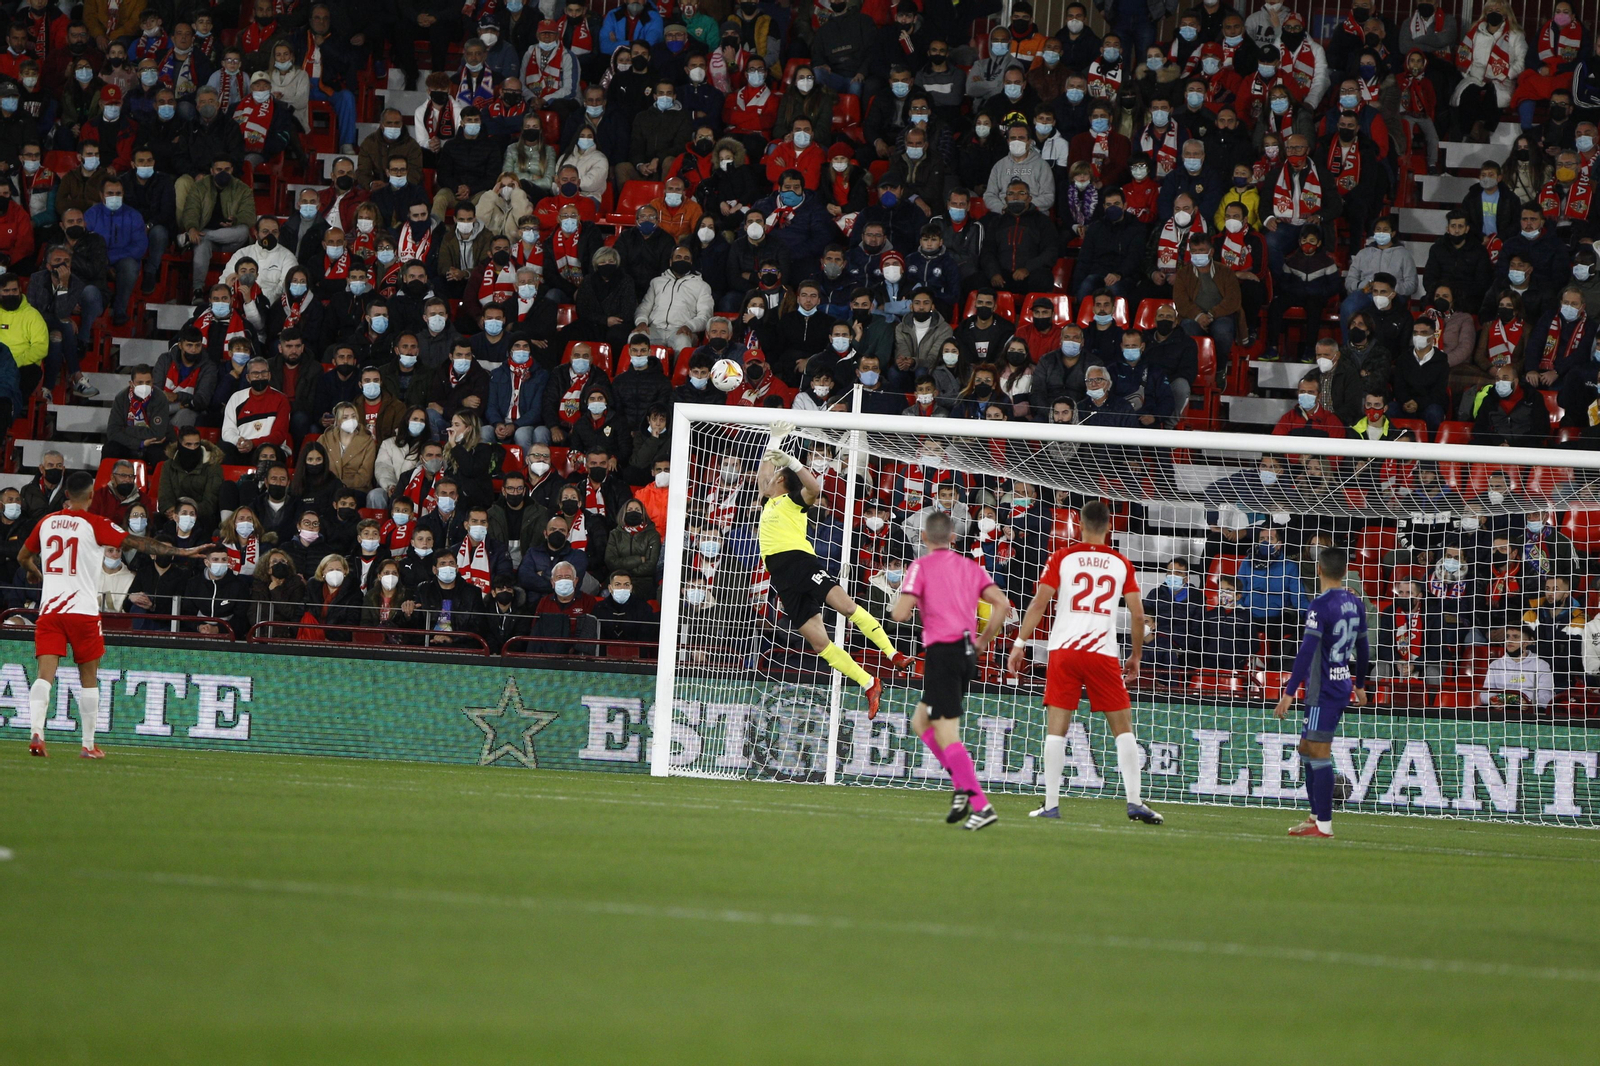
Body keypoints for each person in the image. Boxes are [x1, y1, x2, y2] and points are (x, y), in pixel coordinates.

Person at [18, 470, 200, 758]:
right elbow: (138, 543)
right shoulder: (95, 524)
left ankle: (37, 733)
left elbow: (23, 556)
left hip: (51, 611)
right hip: (83, 612)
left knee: (44, 676)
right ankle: (88, 745)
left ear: (67, 494)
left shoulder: (46, 522)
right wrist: (181, 552)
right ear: (91, 495)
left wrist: (33, 572)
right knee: (89, 679)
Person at [1007, 499, 1163, 824]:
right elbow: (1138, 616)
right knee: (1123, 728)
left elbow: (1038, 603)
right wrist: (1136, 655)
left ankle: (1051, 804)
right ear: (1110, 526)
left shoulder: (1062, 557)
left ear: (1079, 525)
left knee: (1056, 729)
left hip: (1064, 650)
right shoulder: (1121, 563)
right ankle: (1134, 801)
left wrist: (1019, 643)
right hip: (1102, 653)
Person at [757, 422, 908, 719]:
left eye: (774, 475)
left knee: (847, 607)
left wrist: (793, 462)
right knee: (819, 643)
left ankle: (893, 654)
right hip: (783, 578)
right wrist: (774, 440)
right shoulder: (769, 501)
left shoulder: (792, 502)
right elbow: (763, 478)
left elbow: (814, 488)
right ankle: (869, 683)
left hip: (801, 564)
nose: (767, 479)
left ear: (781, 480)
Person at [888, 511, 1012, 831]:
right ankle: (960, 784)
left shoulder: (921, 566)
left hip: (943, 653)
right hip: (967, 652)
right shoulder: (969, 567)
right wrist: (984, 640)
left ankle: (981, 805)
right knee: (921, 721)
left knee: (946, 733)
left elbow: (900, 613)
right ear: (953, 537)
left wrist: (903, 603)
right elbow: (1002, 604)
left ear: (924, 538)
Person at [1271, 546, 1371, 839]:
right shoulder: (1355, 602)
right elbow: (1363, 647)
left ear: (1319, 570)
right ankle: (1315, 815)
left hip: (1323, 688)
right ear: (1345, 571)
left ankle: (1323, 824)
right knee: (1306, 748)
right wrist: (1360, 684)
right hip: (1340, 682)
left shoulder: (1319, 605)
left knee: (1318, 751)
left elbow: (1307, 650)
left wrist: (1289, 692)